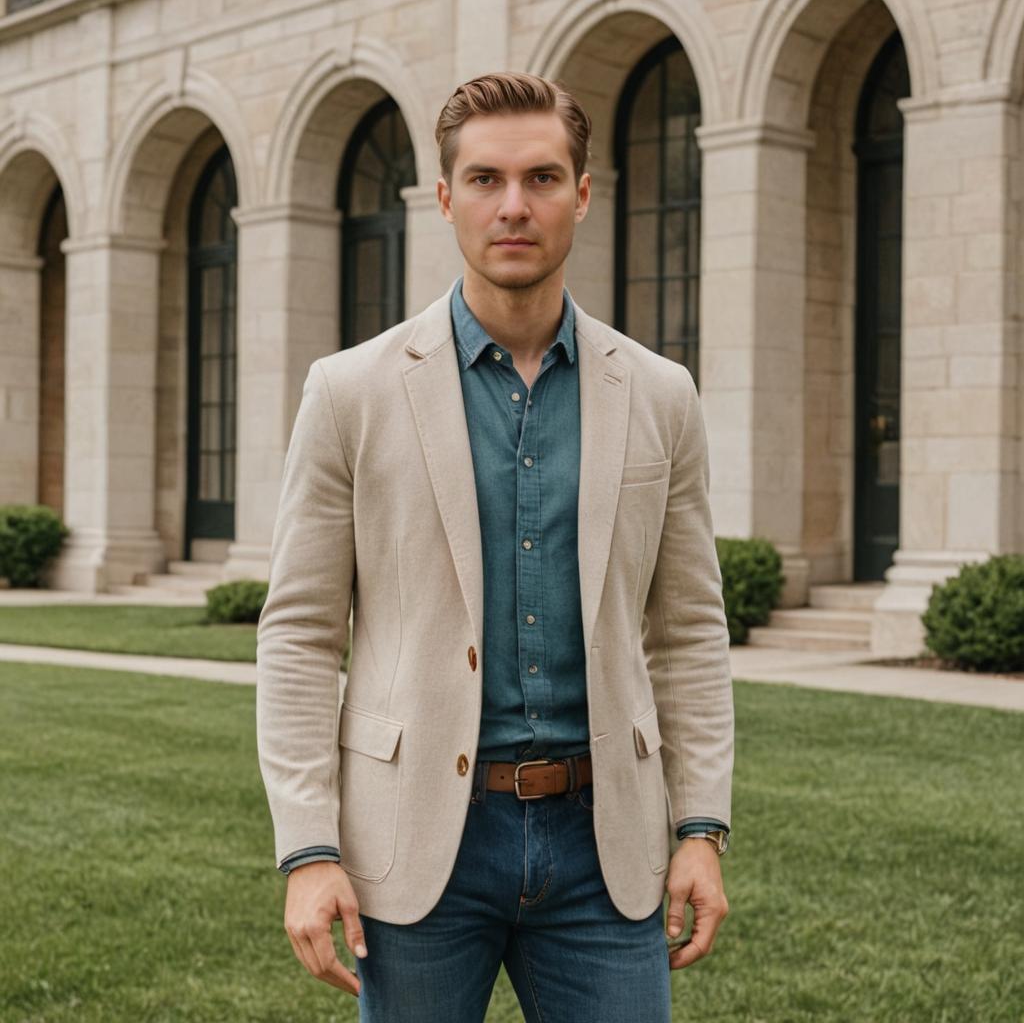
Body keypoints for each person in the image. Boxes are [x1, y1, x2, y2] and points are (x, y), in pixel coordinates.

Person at [256, 70, 734, 1022]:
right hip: (419, 850)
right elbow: (301, 635)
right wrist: (309, 850)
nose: (513, 206)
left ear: (583, 194)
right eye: (484, 180)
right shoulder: (349, 392)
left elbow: (689, 631)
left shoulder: (660, 394)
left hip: (608, 849)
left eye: (543, 178)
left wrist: (701, 827)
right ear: (443, 198)